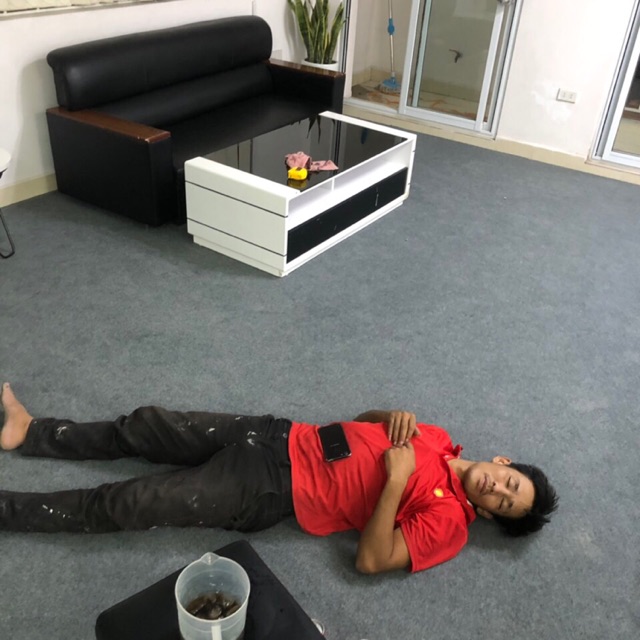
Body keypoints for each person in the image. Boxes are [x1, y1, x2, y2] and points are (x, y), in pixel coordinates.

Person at [0, 382, 558, 574]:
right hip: (280, 433)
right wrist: (386, 416)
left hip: (274, 489)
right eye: (510, 485)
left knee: (133, 502)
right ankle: (33, 432)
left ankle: (9, 511)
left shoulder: (451, 524)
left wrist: (396, 482)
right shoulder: (438, 437)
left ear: (490, 517)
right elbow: (360, 423)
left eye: (504, 506)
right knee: (147, 426)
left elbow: (370, 561)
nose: (497, 492)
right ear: (503, 462)